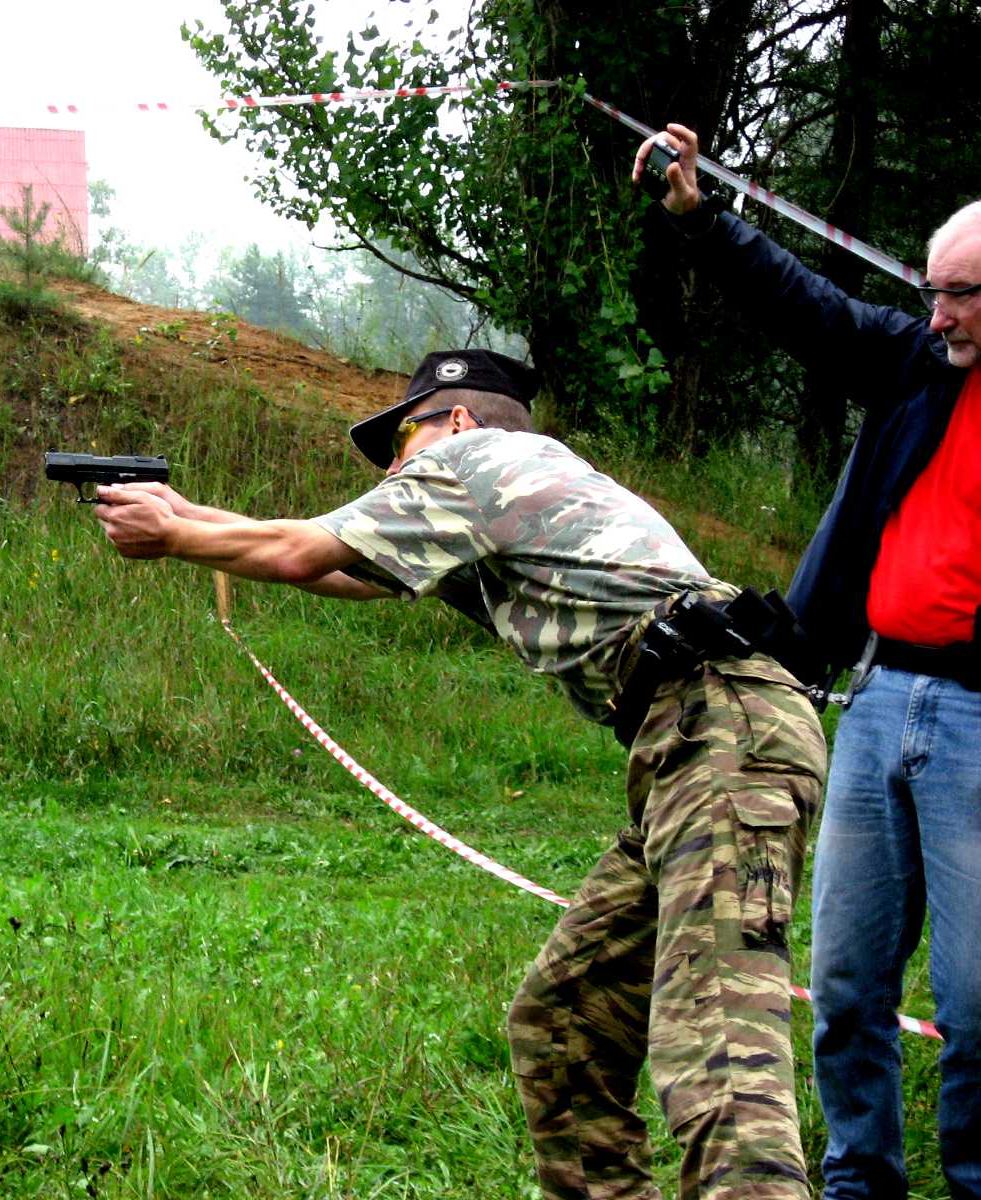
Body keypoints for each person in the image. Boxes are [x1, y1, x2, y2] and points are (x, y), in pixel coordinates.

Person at [93, 348, 828, 1199]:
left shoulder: (472, 463)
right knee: (566, 1024)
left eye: (400, 440)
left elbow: (299, 551)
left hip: (721, 732)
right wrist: (188, 517)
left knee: (719, 1053)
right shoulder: (507, 500)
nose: (393, 468)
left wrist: (175, 537)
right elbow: (338, 565)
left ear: (458, 420)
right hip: (696, 741)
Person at [633, 124, 981, 1200]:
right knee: (841, 984)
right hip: (875, 697)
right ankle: (856, 1182)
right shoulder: (914, 363)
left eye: (962, 294)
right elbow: (809, 310)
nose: (940, 314)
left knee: (974, 1009)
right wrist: (702, 220)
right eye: (933, 291)